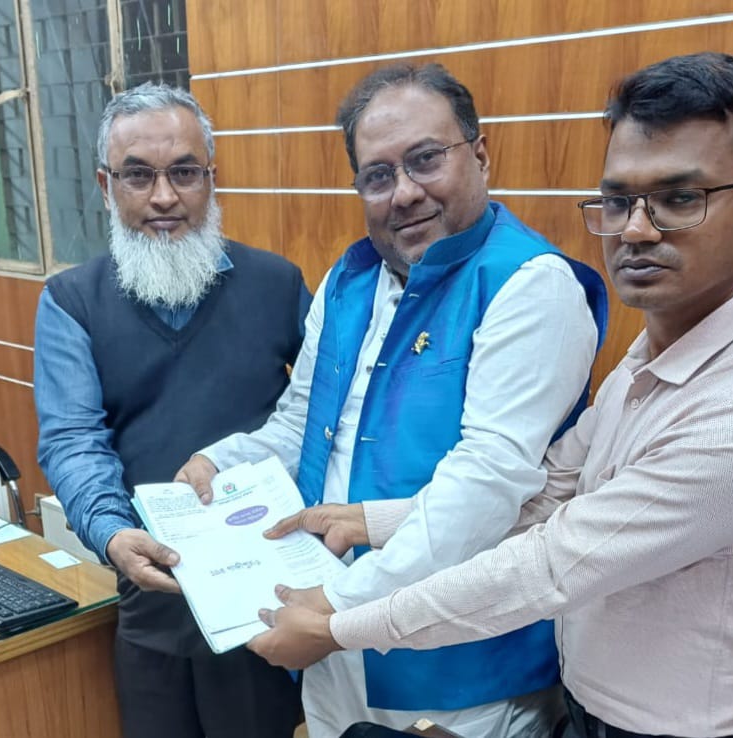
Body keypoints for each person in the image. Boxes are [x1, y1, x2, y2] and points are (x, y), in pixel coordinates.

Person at [248, 52, 733, 738]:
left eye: (680, 199)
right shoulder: (651, 360)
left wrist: (339, 622)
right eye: (617, 201)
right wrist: (375, 521)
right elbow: (553, 489)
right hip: (582, 709)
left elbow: (550, 564)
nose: (635, 230)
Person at [176, 63, 607, 738]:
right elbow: (299, 424)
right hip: (329, 635)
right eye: (378, 175)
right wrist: (218, 462)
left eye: (425, 159)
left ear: (481, 154)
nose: (404, 192)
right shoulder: (349, 278)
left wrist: (336, 606)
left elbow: (486, 484)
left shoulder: (529, 285)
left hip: (455, 659)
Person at [33, 82, 308, 738]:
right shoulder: (71, 301)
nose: (163, 196)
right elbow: (72, 438)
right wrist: (109, 532)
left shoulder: (279, 285)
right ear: (106, 186)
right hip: (150, 593)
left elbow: (319, 417)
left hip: (266, 598)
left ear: (211, 179)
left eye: (184, 172)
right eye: (138, 175)